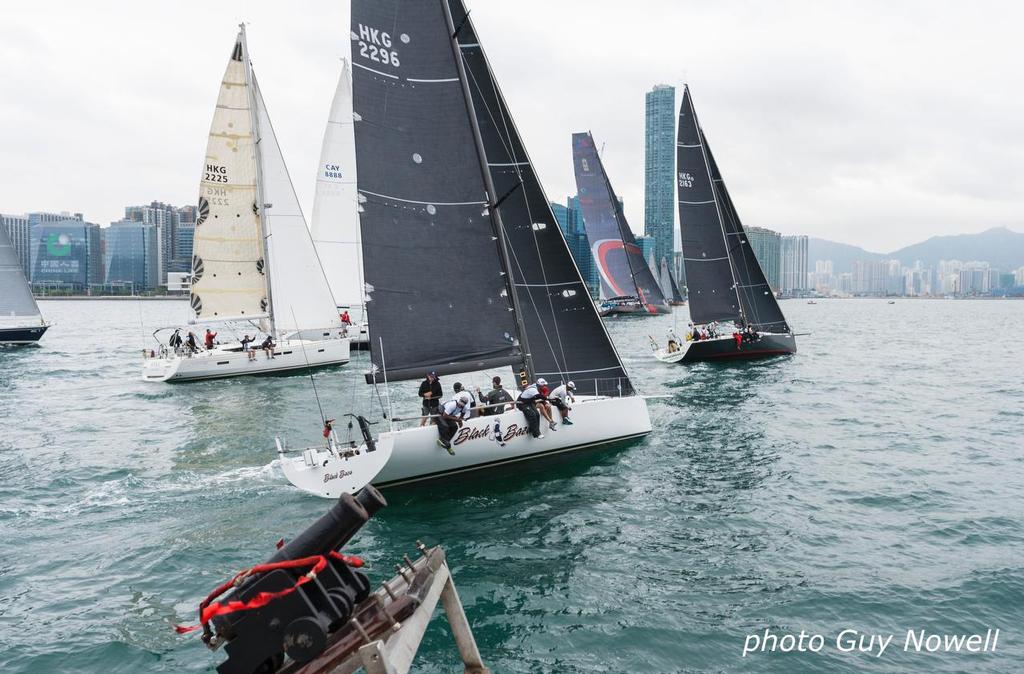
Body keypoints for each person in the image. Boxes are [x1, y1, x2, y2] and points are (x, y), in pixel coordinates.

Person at [436, 391, 472, 455]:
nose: (460, 406)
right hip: (441, 414)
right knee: (445, 427)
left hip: (449, 415)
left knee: (455, 427)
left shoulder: (464, 408)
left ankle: (446, 442)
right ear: (459, 401)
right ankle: (443, 440)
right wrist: (457, 420)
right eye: (460, 404)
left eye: (462, 405)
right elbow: (444, 416)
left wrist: (460, 420)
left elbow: (461, 416)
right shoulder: (453, 405)